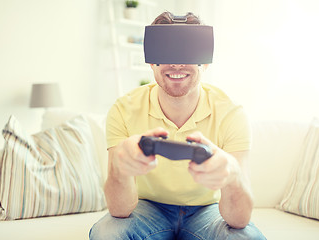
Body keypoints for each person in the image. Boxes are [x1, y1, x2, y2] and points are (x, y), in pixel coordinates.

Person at [90, 11, 266, 240]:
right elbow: (119, 211)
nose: (176, 63)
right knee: (107, 233)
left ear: (205, 63)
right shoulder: (123, 110)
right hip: (147, 208)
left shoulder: (231, 113)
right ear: (151, 62)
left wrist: (232, 174)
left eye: (188, 51)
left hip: (207, 210)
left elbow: (239, 219)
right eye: (165, 51)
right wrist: (120, 171)